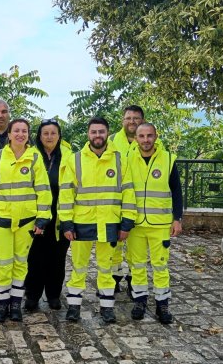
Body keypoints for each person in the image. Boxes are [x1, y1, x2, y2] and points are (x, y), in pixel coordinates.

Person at [58, 117, 137, 323]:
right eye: (94, 132)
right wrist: (66, 222)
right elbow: (66, 195)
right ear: (88, 134)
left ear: (107, 133)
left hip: (110, 223)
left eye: (101, 132)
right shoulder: (74, 159)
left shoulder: (120, 160)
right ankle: (74, 306)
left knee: (106, 267)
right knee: (78, 266)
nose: (97, 136)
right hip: (81, 223)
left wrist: (127, 222)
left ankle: (107, 307)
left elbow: (128, 193)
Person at [0, 118, 52, 322]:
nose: (20, 134)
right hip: (0, 216)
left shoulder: (34, 157)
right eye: (16, 130)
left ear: (28, 135)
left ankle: (15, 303)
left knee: (20, 262)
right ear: (9, 134)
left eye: (24, 131)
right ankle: (2, 304)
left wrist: (43, 217)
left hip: (27, 219)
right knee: (3, 262)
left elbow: (43, 189)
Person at [126, 122, 183, 324]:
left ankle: (162, 304)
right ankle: (140, 301)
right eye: (141, 136)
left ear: (156, 137)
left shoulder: (168, 160)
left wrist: (177, 218)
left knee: (160, 265)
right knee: (137, 265)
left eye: (149, 136)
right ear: (135, 138)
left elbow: (176, 191)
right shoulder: (127, 159)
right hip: (136, 224)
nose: (146, 140)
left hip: (160, 224)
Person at [24, 118, 72, 312]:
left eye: (53, 133)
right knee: (34, 257)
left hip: (61, 214)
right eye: (45, 133)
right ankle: (32, 296)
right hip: (36, 215)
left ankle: (53, 294)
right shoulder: (30, 155)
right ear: (39, 136)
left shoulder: (69, 156)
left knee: (57, 258)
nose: (49, 137)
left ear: (59, 135)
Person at [108, 105, 145, 298]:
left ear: (143, 120)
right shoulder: (112, 140)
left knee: (135, 247)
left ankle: (133, 281)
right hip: (116, 200)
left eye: (136, 118)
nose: (132, 121)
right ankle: (112, 279)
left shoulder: (149, 140)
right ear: (123, 120)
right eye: (128, 118)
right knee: (114, 244)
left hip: (141, 202)